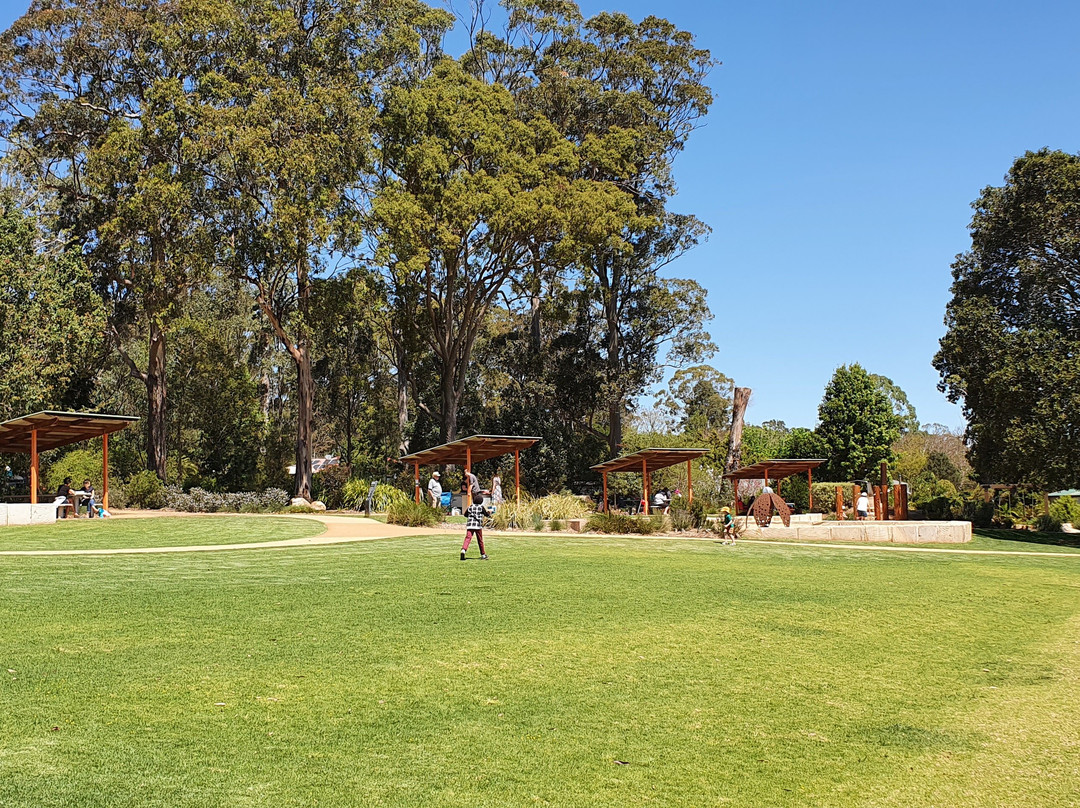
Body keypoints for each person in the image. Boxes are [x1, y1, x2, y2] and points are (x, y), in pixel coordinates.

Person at [461, 494, 490, 561]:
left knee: (468, 538)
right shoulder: (481, 507)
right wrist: (489, 513)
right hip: (478, 526)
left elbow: (465, 515)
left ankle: (463, 550)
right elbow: (486, 514)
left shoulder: (470, 507)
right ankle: (483, 554)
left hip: (470, 525)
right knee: (480, 540)